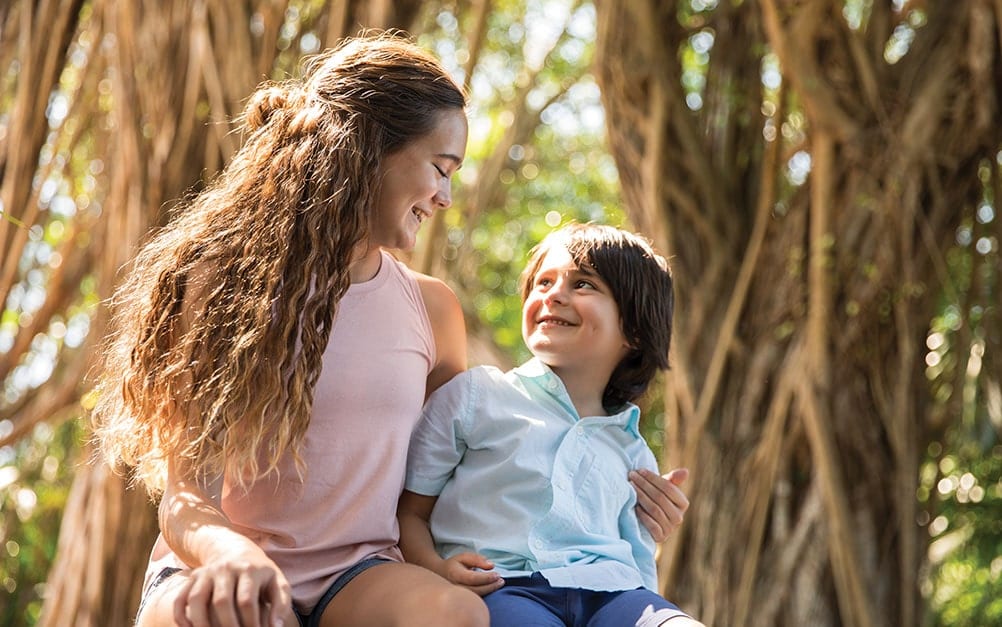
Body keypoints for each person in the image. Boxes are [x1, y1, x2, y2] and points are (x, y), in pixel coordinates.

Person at [91, 31, 689, 627]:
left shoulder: (432, 310)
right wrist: (233, 556)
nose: (446, 196)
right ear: (367, 149)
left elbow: (473, 461)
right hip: (216, 566)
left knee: (457, 615)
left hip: (360, 576)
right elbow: (183, 494)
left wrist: (615, 497)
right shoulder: (219, 285)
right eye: (440, 167)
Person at [398, 223, 704, 626]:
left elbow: (639, 562)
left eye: (583, 284)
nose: (553, 295)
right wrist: (436, 570)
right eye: (543, 282)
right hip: (503, 587)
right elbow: (410, 513)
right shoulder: (475, 397)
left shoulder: (631, 449)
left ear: (633, 328)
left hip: (614, 594)